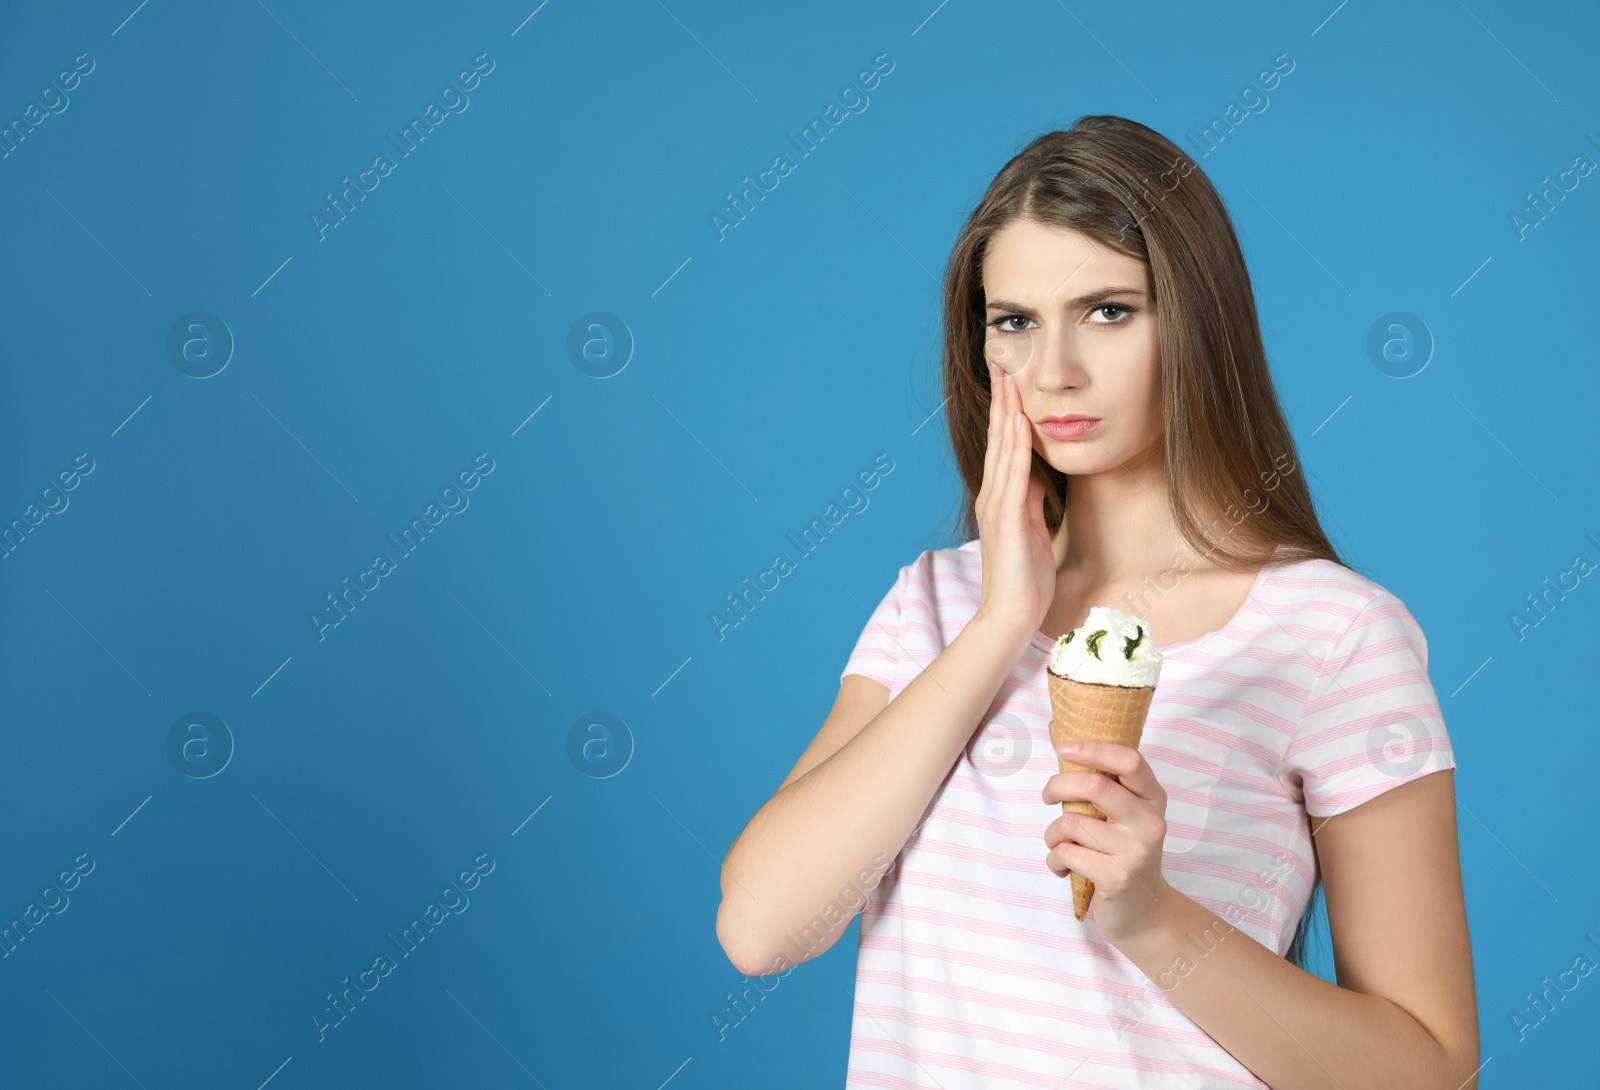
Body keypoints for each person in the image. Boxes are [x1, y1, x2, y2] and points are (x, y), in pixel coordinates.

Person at [715, 115, 1480, 1089]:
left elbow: (1431, 1068)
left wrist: (1153, 917)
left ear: (1196, 320)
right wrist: (999, 623)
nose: (1053, 372)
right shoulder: (935, 606)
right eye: (1014, 322)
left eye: (1108, 311)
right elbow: (759, 927)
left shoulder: (1333, 635)